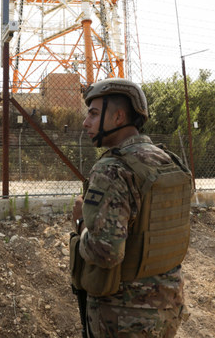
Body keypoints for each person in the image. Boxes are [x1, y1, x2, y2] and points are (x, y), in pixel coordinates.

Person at [69, 78, 191, 338]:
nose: (85, 123)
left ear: (118, 117)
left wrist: (81, 225)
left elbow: (105, 253)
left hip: (124, 315)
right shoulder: (169, 161)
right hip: (170, 305)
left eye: (93, 114)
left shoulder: (112, 169)